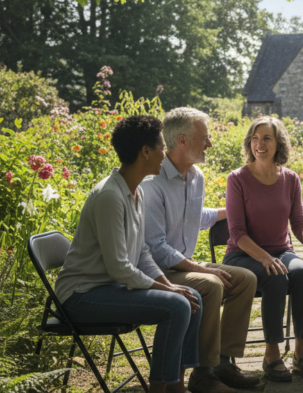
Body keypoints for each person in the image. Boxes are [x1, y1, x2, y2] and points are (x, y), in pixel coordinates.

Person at [55, 115, 204, 393]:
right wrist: (167, 291)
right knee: (177, 305)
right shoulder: (110, 196)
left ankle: (177, 384)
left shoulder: (135, 191)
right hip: (80, 297)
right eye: (161, 147)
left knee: (190, 296)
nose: (165, 153)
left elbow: (142, 251)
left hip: (106, 289)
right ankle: (163, 387)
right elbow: (120, 268)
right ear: (145, 152)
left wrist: (170, 285)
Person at [141, 108, 260, 393]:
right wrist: (202, 268)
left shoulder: (197, 176)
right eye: (204, 138)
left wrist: (236, 211)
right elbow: (156, 249)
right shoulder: (152, 184)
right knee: (210, 283)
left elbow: (196, 217)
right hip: (159, 273)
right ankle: (203, 374)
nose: (209, 144)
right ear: (182, 141)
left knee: (245, 279)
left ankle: (221, 363)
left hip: (184, 265)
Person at [223, 116, 303, 382]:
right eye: (255, 138)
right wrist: (265, 257)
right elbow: (237, 233)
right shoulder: (237, 179)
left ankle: (301, 353)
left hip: (281, 251)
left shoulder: (290, 179)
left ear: (278, 142)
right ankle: (271, 355)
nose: (259, 144)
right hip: (243, 255)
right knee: (275, 275)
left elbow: (300, 223)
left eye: (266, 138)